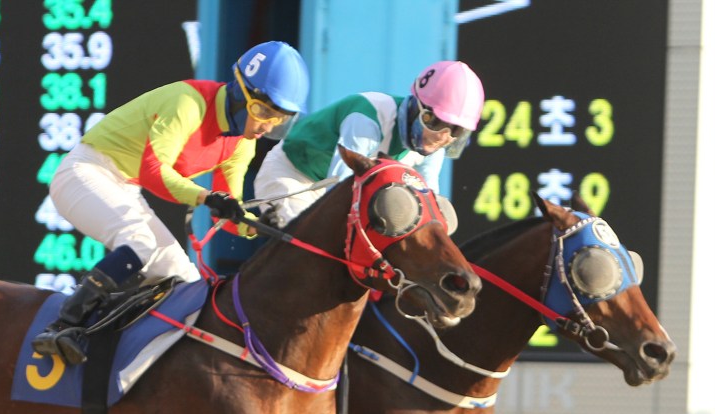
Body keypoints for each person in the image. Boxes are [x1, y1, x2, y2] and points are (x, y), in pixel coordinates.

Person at [33, 41, 310, 365]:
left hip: (124, 188)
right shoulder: (187, 103)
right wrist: (206, 197)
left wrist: (260, 224)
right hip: (84, 171)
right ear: (238, 93)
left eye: (278, 120)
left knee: (185, 284)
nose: (266, 127)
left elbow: (230, 212)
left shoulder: (242, 145)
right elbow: (153, 171)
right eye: (262, 112)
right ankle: (63, 326)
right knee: (139, 243)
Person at [253, 60, 484, 225]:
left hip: (329, 189)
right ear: (416, 107)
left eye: (456, 130)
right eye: (435, 122)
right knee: (310, 254)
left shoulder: (435, 145)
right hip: (292, 177)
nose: (444, 136)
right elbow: (342, 193)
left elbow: (427, 202)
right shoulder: (368, 116)